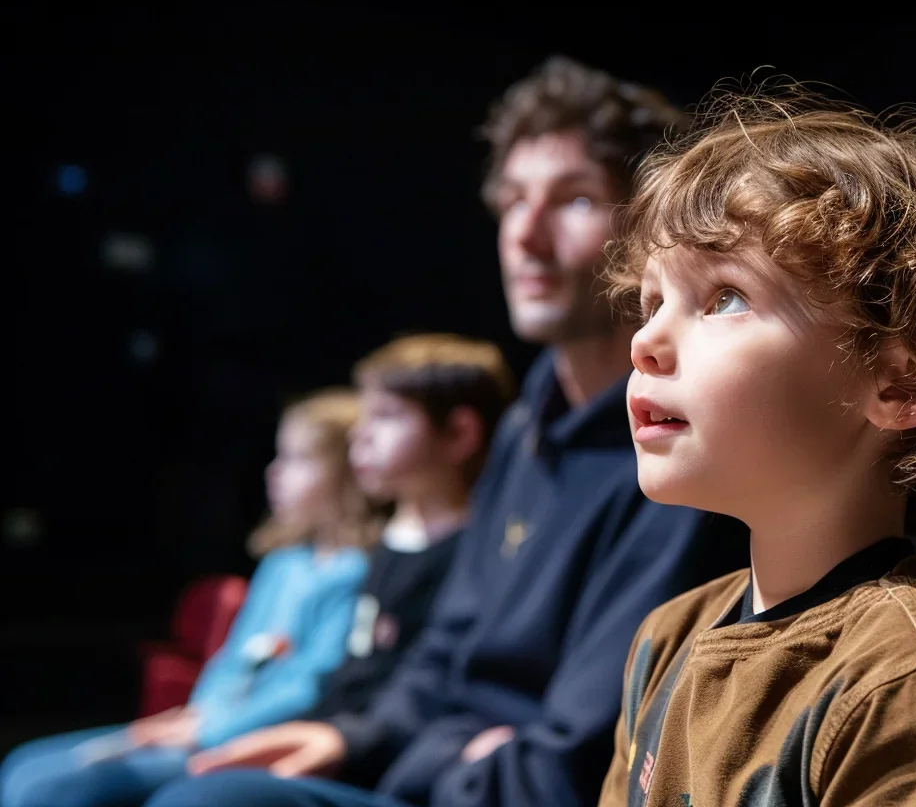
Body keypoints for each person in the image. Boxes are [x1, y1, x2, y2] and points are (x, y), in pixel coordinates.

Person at [146, 57, 747, 807]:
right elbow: (443, 653)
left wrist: (420, 760)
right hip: (442, 769)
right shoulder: (523, 426)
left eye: (575, 199)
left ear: (652, 231)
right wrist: (353, 740)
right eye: (514, 199)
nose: (525, 235)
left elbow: (576, 754)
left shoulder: (671, 445)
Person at [594, 85, 916, 806]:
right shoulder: (667, 638)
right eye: (653, 302)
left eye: (725, 298)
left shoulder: (907, 684)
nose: (645, 342)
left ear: (903, 383)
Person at [1, 389, 379, 807]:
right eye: (280, 456)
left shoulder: (359, 572)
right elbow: (233, 659)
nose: (274, 472)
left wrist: (207, 730)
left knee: (57, 790)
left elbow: (311, 686)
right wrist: (198, 714)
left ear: (350, 472)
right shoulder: (283, 563)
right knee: (24, 765)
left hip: (256, 739)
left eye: (298, 459)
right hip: (208, 725)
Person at [272, 334, 514, 790]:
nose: (359, 434)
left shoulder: (477, 553)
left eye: (385, 416)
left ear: (460, 434)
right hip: (332, 736)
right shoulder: (386, 543)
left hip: (385, 760)